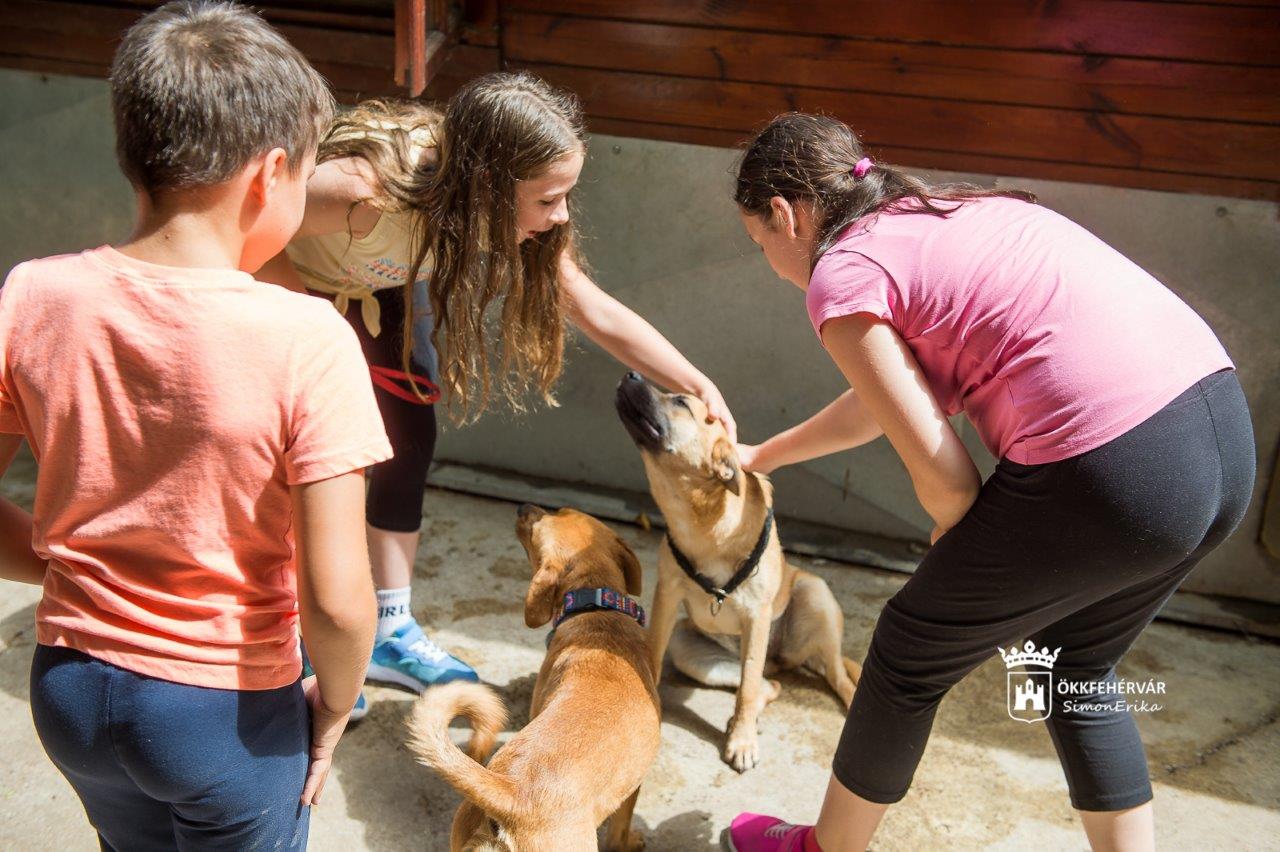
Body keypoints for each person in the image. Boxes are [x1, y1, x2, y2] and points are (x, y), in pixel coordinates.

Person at [721, 113, 1254, 852]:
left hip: (1115, 468)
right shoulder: (956, 211)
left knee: (909, 649)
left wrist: (953, 535)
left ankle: (822, 849)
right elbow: (882, 399)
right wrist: (765, 455)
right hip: (1219, 435)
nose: (772, 264)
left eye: (761, 244)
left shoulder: (843, 271)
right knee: (1077, 664)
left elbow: (947, 482)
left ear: (786, 214)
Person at [0, 3, 388, 847]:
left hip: (66, 690)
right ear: (270, 174)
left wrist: (81, 573)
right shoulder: (310, 337)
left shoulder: (32, 294)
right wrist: (333, 703)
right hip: (227, 717)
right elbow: (340, 600)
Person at [259, 72, 738, 694]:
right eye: (546, 199)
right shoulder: (360, 189)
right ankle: (297, 639)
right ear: (485, 185)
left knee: (408, 438)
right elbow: (249, 227)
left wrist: (698, 383)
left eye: (566, 195)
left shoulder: (510, 215)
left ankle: (391, 630)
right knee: (310, 462)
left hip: (378, 291)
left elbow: (589, 306)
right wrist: (311, 316)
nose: (560, 213)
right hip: (285, 288)